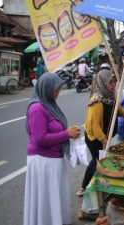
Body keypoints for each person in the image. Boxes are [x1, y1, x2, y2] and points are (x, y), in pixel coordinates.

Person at [24, 72, 81, 225]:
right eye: (55, 90)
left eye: (58, 90)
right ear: (45, 88)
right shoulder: (37, 108)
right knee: (45, 200)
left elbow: (53, 129)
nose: (57, 93)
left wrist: (67, 133)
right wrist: (66, 134)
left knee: (53, 199)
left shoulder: (48, 104)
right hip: (43, 161)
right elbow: (39, 139)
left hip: (52, 159)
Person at [76, 70, 124, 196]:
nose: (114, 85)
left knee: (100, 161)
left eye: (114, 82)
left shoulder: (110, 95)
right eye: (111, 83)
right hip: (94, 138)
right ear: (103, 83)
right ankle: (85, 187)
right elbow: (94, 125)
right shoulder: (96, 100)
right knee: (97, 161)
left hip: (105, 135)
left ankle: (96, 186)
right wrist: (103, 141)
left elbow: (117, 110)